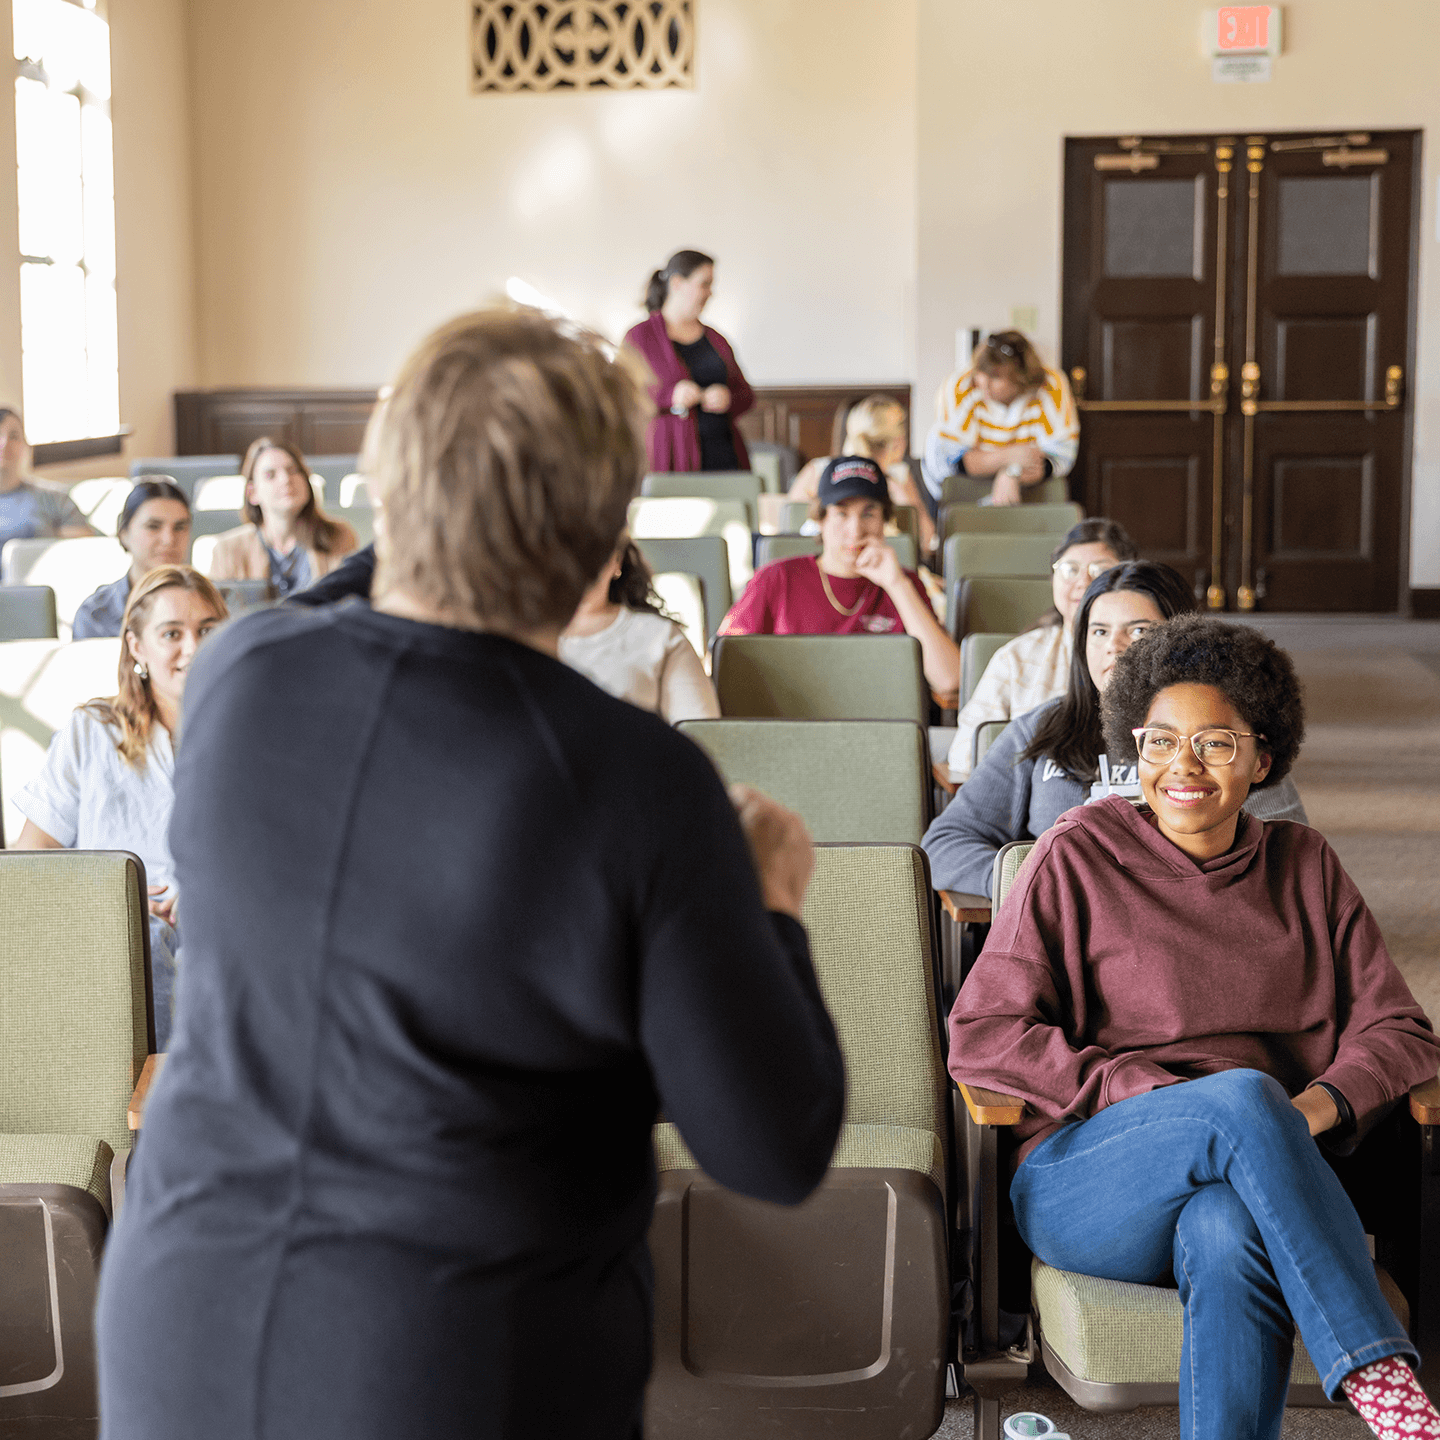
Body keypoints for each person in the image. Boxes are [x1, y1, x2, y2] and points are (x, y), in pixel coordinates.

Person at [95, 305, 845, 1440]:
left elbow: (352, 597)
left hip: (181, 1317)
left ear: (391, 484)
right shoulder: (638, 784)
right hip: (450, 1359)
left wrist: (436, 483)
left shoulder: (242, 677)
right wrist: (771, 905)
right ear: (606, 524)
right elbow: (773, 1145)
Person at [949, 612, 1440, 1440]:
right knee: (1241, 1096)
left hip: (1254, 1175)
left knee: (1227, 1225)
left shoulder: (1306, 865)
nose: (1182, 766)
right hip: (1092, 1176)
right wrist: (1141, 1091)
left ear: (1262, 759)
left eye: (1215, 744)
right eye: (1158, 741)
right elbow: (984, 1029)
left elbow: (1403, 1032)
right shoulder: (1078, 850)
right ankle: (1379, 1371)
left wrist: (1310, 1110)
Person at [923, 562, 1307, 897]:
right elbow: (947, 843)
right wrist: (1037, 881)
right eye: (1099, 631)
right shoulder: (1041, 729)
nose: (1114, 646)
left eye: (1139, 631)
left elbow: (1287, 862)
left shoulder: (1228, 737)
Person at [12, 565, 228, 1050]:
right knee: (145, 946)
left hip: (218, 929)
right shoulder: (91, 731)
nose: (192, 648)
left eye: (208, 631)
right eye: (172, 633)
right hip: (111, 940)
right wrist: (113, 903)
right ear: (136, 647)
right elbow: (30, 860)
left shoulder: (251, 735)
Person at [718, 455, 961, 696]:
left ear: (884, 520)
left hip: (879, 726)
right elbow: (725, 662)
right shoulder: (776, 578)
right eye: (841, 514)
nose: (855, 532)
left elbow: (949, 679)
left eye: (868, 513)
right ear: (821, 519)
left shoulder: (904, 583)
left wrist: (896, 585)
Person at [947, 518, 1137, 778]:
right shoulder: (1017, 657)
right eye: (1070, 569)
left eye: (1099, 570)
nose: (1083, 582)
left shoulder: (1147, 653)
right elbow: (965, 755)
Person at [559, 536, 720, 723]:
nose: (578, 567)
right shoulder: (523, 638)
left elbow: (702, 737)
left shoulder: (661, 637)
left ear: (617, 560)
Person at [623, 249, 755, 474]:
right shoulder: (639, 337)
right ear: (677, 283)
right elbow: (623, 395)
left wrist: (727, 398)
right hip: (671, 462)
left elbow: (746, 395)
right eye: (704, 284)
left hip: (725, 461)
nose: (710, 293)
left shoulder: (717, 340)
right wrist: (669, 397)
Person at [922, 331, 1079, 507]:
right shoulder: (960, 386)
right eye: (981, 372)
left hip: (1031, 493)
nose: (984, 383)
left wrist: (1011, 473)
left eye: (996, 377)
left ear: (1020, 377)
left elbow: (1057, 459)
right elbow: (953, 462)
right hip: (959, 490)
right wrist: (1009, 456)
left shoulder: (1051, 386)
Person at [787, 394, 937, 557]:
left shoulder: (899, 475)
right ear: (898, 443)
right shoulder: (820, 472)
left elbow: (786, 538)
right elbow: (928, 542)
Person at [209, 437, 359, 597]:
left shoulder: (338, 536)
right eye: (270, 475)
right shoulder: (226, 550)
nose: (286, 479)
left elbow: (352, 602)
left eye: (293, 470)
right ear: (252, 493)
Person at [73, 480, 192, 639]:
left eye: (179, 527)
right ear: (124, 533)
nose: (169, 539)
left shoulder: (221, 604)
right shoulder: (95, 615)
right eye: (153, 526)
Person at [0, 406, 95, 550]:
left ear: (26, 446)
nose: (5, 443)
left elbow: (87, 548)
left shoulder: (55, 499)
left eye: (13, 436)